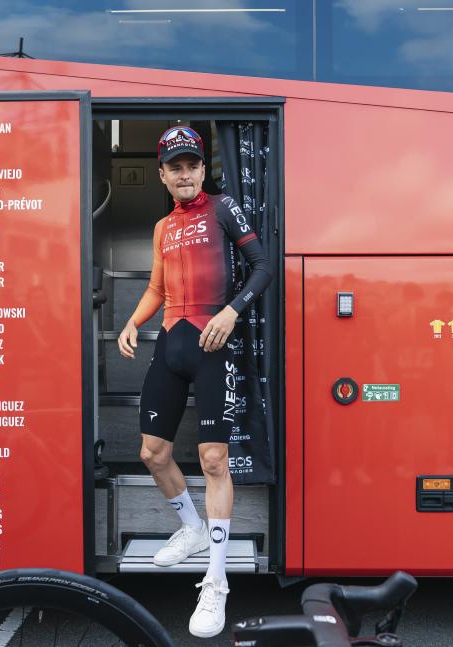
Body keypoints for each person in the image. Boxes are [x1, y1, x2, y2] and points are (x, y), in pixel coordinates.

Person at [117, 125, 272, 638]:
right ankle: (192, 528)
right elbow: (158, 287)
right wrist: (134, 322)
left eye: (192, 165)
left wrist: (231, 313)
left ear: (203, 170)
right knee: (152, 452)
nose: (184, 174)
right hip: (171, 343)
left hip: (213, 344)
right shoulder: (163, 227)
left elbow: (262, 267)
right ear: (162, 175)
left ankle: (216, 580)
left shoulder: (223, 208)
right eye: (175, 167)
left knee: (213, 460)